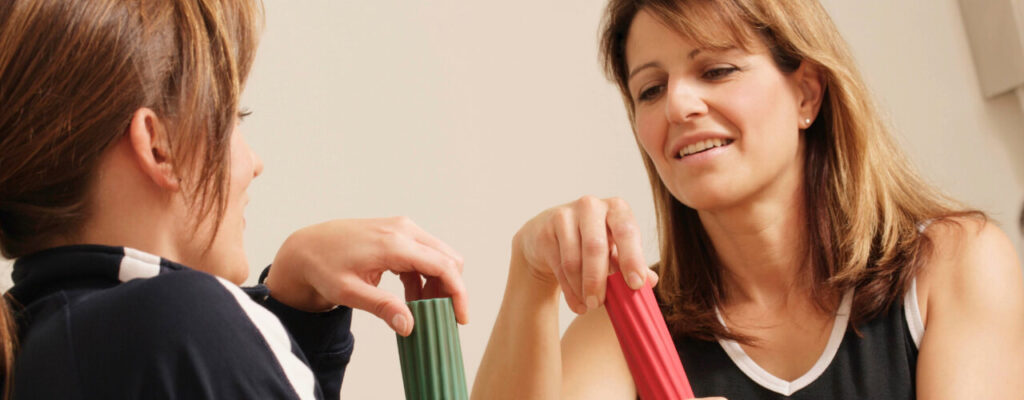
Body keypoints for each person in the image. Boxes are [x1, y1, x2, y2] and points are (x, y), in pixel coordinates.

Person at [473, 0, 1024, 398]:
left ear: (806, 92)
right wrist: (530, 276)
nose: (678, 106)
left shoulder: (955, 264)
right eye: (651, 89)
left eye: (716, 70)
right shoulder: (623, 327)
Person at [0, 1, 467, 398]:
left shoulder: (37, 344)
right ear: (160, 146)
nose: (254, 162)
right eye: (231, 119)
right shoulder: (183, 324)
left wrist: (296, 316)